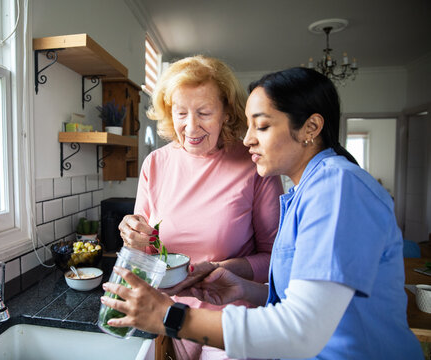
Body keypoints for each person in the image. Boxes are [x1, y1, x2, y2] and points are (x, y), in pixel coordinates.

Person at [102, 67, 424, 360]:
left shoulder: (337, 188)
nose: (247, 139)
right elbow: (300, 298)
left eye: (263, 125)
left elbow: (302, 330)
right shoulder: (306, 192)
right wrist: (246, 289)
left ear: (311, 127)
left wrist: (169, 316)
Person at [117, 55, 284, 359]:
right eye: (180, 113)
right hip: (166, 312)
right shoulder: (155, 164)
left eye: (204, 113)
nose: (190, 127)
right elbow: (144, 254)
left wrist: (227, 269)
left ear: (226, 113)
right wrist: (134, 237)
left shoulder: (254, 163)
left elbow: (278, 260)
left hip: (229, 317)